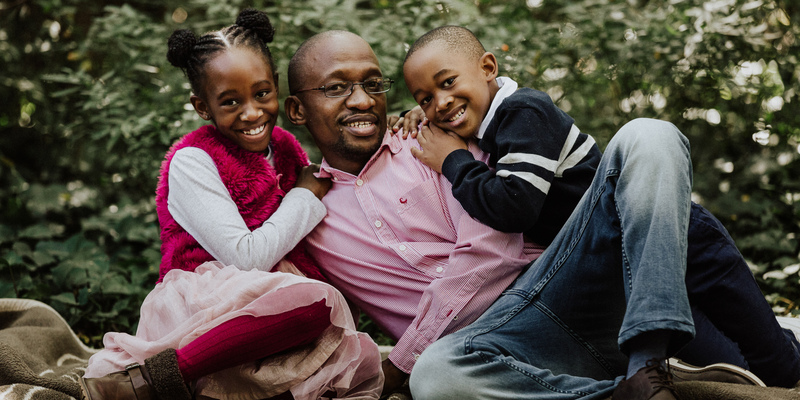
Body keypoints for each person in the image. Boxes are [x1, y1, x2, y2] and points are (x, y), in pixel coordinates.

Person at [286, 30, 800, 400]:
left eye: (373, 84)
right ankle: (627, 389)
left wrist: (401, 361)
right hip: (501, 345)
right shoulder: (304, 217)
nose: (362, 100)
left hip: (569, 285)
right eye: (336, 88)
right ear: (296, 110)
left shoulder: (433, 143)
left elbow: (493, 248)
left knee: (649, 135)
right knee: (436, 377)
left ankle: (649, 357)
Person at [80, 10, 382, 400]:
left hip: (274, 308)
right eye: (230, 102)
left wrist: (400, 129)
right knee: (318, 302)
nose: (252, 112)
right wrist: (305, 194)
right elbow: (246, 257)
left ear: (276, 86)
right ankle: (152, 381)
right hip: (208, 300)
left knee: (337, 336)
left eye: (262, 94)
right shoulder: (192, 161)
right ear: (202, 107)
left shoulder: (286, 149)